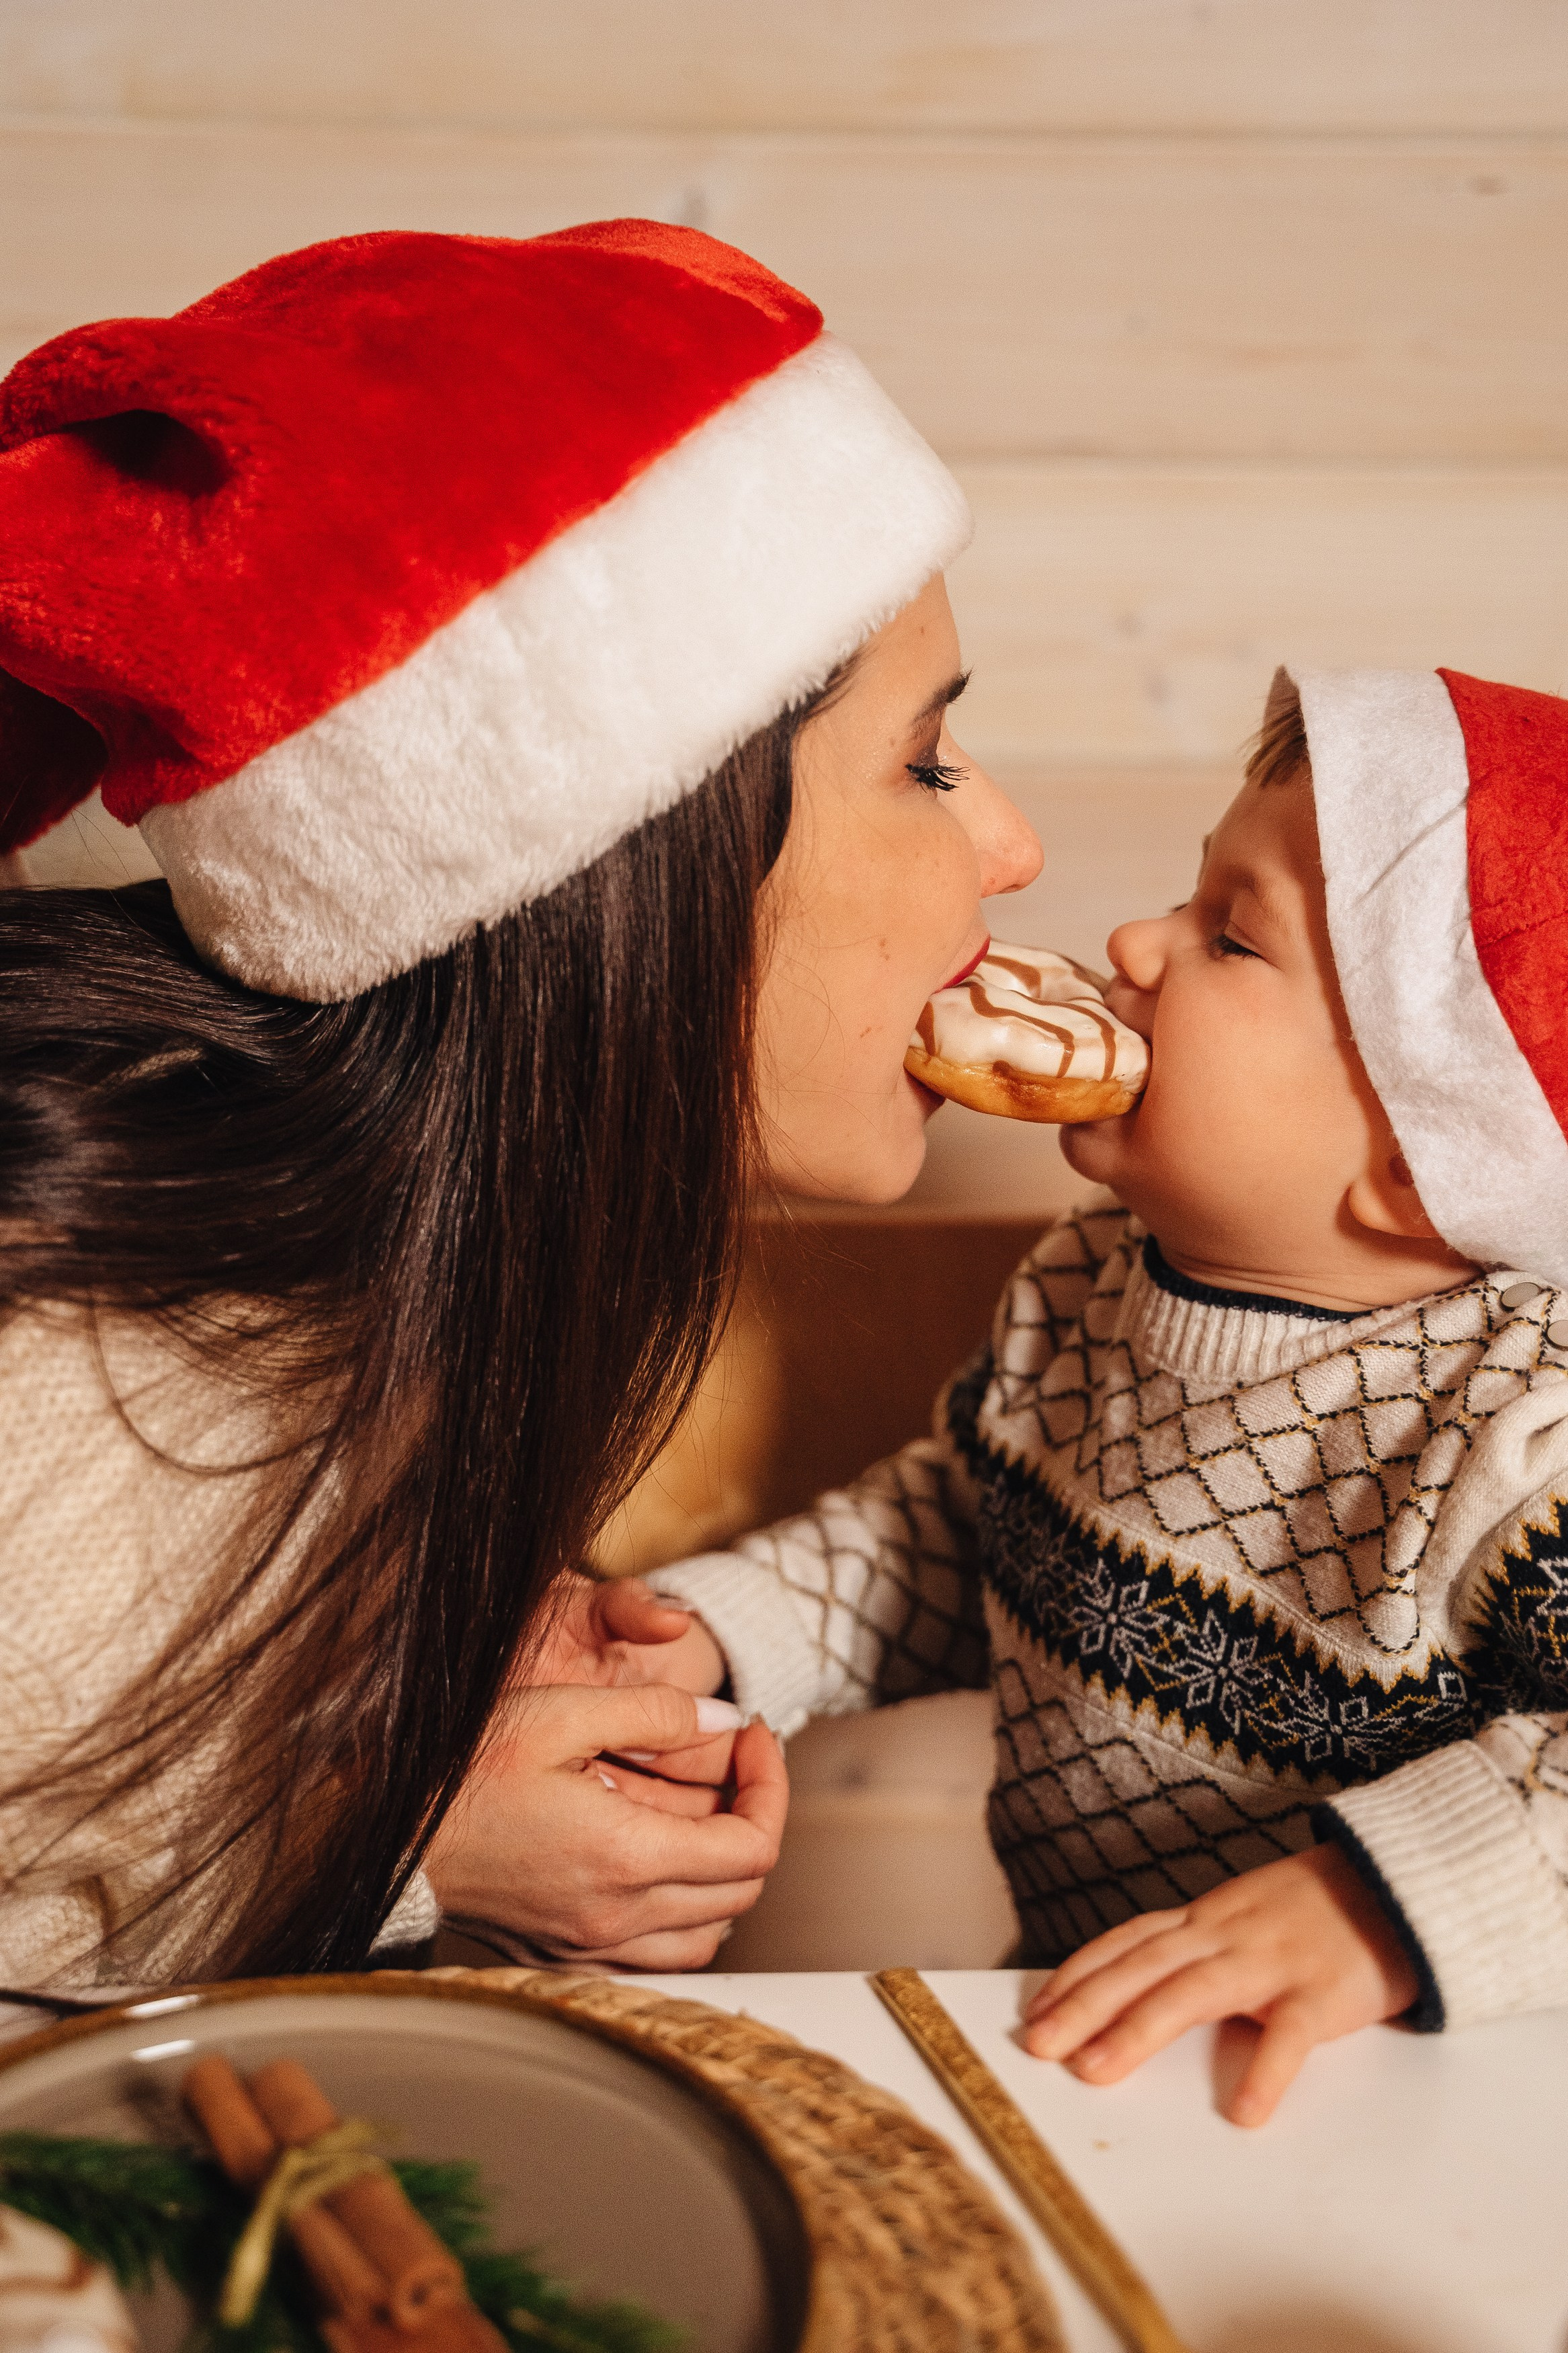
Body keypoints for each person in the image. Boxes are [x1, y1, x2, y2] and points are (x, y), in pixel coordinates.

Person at [0, 218, 1040, 1987]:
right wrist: (386, 1838)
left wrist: (431, 1708)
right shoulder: (90, 1373)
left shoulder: (469, 1244)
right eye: (920, 764)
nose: (1006, 844)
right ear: (640, 875)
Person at [553, 661, 1568, 2119]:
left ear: (1423, 1158)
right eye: (1188, 893)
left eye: (1230, 939)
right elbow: (966, 1537)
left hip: (1393, 2081)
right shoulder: (1094, 1277)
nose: (1133, 944)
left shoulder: (1516, 1432)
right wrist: (714, 1635)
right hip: (1091, 2022)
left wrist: (1379, 1911)